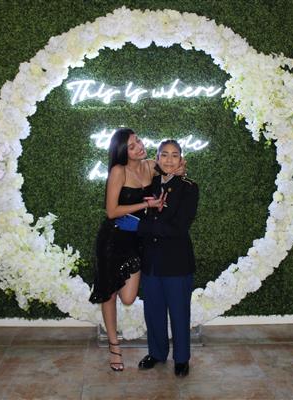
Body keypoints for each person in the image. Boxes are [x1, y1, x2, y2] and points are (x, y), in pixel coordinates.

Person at [116, 139, 199, 377]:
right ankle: (157, 353)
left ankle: (181, 359)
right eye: (164, 155)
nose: (169, 160)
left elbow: (178, 228)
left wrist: (139, 227)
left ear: (181, 159)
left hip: (176, 262)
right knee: (153, 311)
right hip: (151, 261)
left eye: (174, 155)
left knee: (179, 312)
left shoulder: (189, 188)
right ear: (157, 158)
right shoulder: (149, 184)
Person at [88, 128, 164, 372]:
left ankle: (114, 341)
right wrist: (145, 204)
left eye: (138, 141)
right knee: (109, 293)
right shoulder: (118, 171)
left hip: (137, 240)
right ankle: (114, 347)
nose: (139, 146)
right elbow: (111, 211)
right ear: (123, 152)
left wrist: (180, 170)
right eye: (132, 146)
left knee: (129, 297)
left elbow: (172, 169)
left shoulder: (151, 166)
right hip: (113, 239)